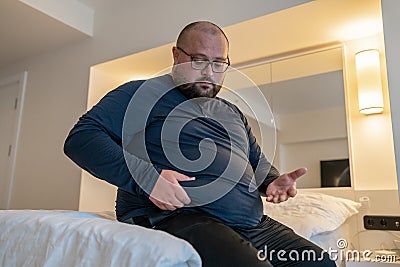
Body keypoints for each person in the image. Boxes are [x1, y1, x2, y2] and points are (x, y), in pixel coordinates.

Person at [64, 21, 335, 267]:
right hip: (177, 216)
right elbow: (82, 137)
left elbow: (256, 160)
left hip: (251, 224)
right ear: (176, 55)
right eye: (199, 60)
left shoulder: (232, 112)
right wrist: (148, 178)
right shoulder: (143, 93)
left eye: (219, 63)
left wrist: (272, 180)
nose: (209, 71)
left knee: (320, 263)